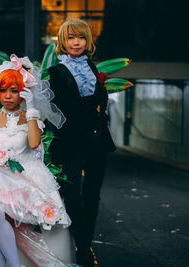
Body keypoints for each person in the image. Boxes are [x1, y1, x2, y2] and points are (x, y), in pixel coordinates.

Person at [0, 55, 71, 267]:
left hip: (23, 179)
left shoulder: (29, 116)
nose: (8, 96)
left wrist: (33, 109)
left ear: (23, 93)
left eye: (14, 90)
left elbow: (35, 144)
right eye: (4, 90)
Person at [48, 18, 116, 267]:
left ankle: (84, 245)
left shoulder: (93, 70)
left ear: (88, 41)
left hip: (97, 140)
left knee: (92, 195)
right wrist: (91, 108)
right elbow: (59, 109)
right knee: (72, 192)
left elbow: (101, 101)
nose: (76, 42)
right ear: (63, 41)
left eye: (81, 37)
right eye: (71, 37)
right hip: (71, 142)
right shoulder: (56, 73)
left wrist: (96, 108)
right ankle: (79, 239)